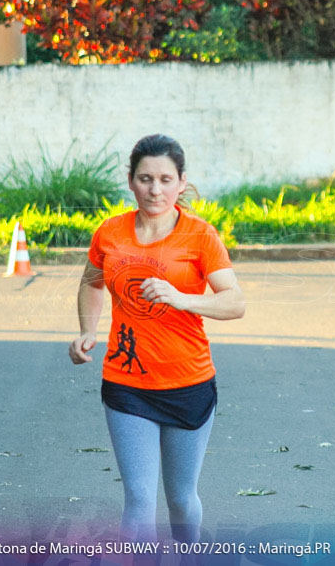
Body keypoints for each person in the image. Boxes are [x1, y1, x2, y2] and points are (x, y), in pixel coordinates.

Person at [68, 134, 245, 543]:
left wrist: (182, 298)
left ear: (182, 182)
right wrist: (86, 332)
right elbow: (92, 284)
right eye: (145, 179)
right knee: (139, 499)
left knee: (181, 500)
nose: (155, 189)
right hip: (127, 384)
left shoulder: (200, 236)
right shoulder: (110, 233)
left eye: (166, 179)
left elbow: (235, 303)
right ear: (131, 182)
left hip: (188, 384)